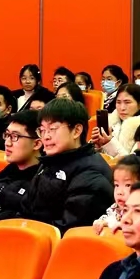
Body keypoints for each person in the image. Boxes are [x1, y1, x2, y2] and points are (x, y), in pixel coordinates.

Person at [19, 99, 113, 234]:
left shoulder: (91, 174)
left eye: (52, 129)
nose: (45, 137)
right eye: (42, 130)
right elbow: (26, 209)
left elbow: (69, 229)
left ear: (76, 131)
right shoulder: (49, 162)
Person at [0, 110, 42, 227]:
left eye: (15, 136)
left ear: (36, 144)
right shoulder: (3, 175)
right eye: (7, 135)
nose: (7, 143)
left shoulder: (42, 183)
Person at [92, 84, 140, 160]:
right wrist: (98, 146)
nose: (122, 108)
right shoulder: (112, 122)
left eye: (127, 102)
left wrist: (109, 143)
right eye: (118, 102)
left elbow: (134, 163)